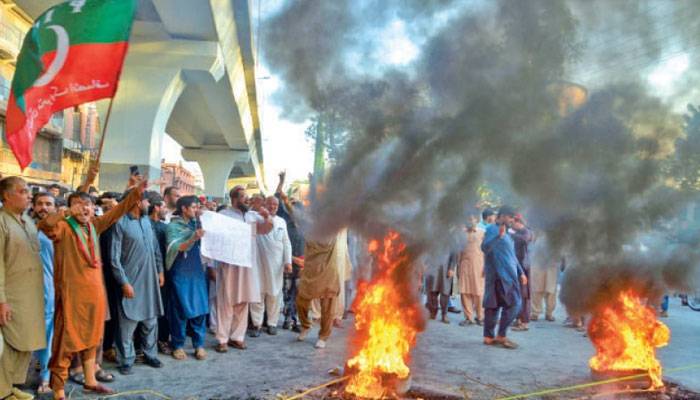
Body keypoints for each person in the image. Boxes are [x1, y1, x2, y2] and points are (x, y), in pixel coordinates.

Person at [39, 175, 145, 399]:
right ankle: (58, 388)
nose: (84, 209)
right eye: (78, 205)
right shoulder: (63, 227)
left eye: (88, 205)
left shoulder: (95, 226)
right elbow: (44, 225)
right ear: (69, 208)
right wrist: (64, 213)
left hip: (96, 294)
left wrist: (135, 191)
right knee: (66, 340)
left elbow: (117, 212)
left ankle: (90, 380)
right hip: (72, 295)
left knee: (93, 338)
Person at [0, 177, 46, 400]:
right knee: (9, 344)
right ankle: (2, 391)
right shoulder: (1, 221)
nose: (29, 195)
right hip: (11, 295)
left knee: (25, 342)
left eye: (29, 191)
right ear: (7, 196)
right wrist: (2, 300)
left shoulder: (27, 221)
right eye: (23, 191)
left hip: (31, 294)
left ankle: (11, 385)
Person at [111, 191, 164, 375]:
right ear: (136, 202)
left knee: (151, 321)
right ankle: (126, 360)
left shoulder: (146, 221)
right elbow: (114, 258)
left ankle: (150, 354)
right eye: (146, 200)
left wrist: (160, 270)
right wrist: (124, 282)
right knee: (127, 324)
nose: (148, 203)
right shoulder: (120, 223)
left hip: (150, 281)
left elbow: (155, 247)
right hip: (131, 281)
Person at [213, 187, 272, 351]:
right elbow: (214, 239)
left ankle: (237, 337)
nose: (247, 200)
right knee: (226, 301)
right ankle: (222, 339)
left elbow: (266, 229)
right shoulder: (224, 215)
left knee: (243, 301)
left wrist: (267, 218)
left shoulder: (253, 216)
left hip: (247, 265)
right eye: (243, 197)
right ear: (233, 199)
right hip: (229, 266)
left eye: (247, 198)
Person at [165, 196, 208, 361]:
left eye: (198, 207)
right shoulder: (173, 227)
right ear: (183, 208)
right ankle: (178, 345)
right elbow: (176, 248)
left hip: (196, 271)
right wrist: (193, 238)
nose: (197, 209)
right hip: (180, 272)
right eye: (194, 207)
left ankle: (199, 345)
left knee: (200, 308)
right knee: (179, 310)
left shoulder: (197, 224)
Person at [481, 205, 527, 349]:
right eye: (511, 217)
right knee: (509, 304)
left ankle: (493, 336)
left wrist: (521, 272)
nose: (513, 220)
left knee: (497, 305)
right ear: (502, 216)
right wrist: (498, 236)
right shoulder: (492, 230)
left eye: (514, 218)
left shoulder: (507, 234)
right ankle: (495, 336)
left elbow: (512, 256)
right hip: (499, 275)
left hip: (509, 274)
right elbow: (484, 248)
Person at [296, 233, 347, 349]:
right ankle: (305, 326)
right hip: (310, 269)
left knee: (327, 307)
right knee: (301, 300)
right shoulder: (310, 226)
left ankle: (323, 336)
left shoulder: (333, 227)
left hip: (328, 270)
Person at [250, 196, 292, 336]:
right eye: (270, 204)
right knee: (257, 294)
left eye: (275, 204)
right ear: (265, 204)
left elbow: (286, 242)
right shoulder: (255, 218)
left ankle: (272, 324)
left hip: (276, 264)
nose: (273, 206)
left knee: (274, 294)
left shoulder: (281, 222)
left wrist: (288, 262)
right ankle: (257, 325)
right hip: (258, 263)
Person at [32, 193, 57, 396]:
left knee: (48, 335)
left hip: (49, 290)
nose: (44, 207)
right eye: (39, 203)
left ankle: (45, 377)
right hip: (22, 291)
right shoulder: (25, 227)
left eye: (48, 204)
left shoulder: (60, 229)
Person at [147, 195, 172, 354]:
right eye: (163, 206)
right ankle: (142, 346)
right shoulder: (144, 224)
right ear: (156, 207)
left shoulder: (165, 227)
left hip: (163, 274)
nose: (166, 210)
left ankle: (162, 340)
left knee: (163, 309)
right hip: (145, 273)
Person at [457, 216, 485, 326]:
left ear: (477, 220)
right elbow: (458, 251)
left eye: (472, 219)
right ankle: (469, 318)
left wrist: (487, 267)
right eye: (467, 218)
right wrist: (457, 267)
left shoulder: (483, 233)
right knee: (464, 292)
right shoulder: (461, 234)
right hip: (464, 265)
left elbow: (487, 250)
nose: (470, 221)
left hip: (479, 266)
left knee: (478, 292)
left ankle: (480, 317)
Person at [510, 214, 534, 332]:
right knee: (517, 293)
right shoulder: (518, 233)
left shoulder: (526, 232)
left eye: (513, 223)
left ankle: (524, 322)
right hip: (518, 266)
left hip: (525, 268)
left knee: (524, 295)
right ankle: (518, 319)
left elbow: (523, 239)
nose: (512, 226)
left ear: (518, 222)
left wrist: (510, 235)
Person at [530, 238, 560, 322]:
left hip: (551, 264)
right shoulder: (538, 231)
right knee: (536, 289)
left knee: (550, 290)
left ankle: (549, 313)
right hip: (537, 263)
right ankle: (535, 313)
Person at [424, 252, 457, 324]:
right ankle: (433, 312)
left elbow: (454, 254)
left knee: (445, 291)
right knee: (432, 291)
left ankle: (444, 315)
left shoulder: (451, 240)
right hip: (433, 267)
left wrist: (451, 268)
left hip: (446, 269)